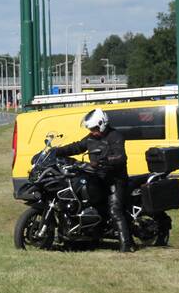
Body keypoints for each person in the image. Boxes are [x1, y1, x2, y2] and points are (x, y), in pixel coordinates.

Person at [54, 108, 135, 253]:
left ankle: (126, 245)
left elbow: (121, 157)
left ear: (102, 124)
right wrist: (57, 151)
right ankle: (87, 238)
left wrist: (105, 160)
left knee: (114, 209)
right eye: (91, 129)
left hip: (114, 179)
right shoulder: (91, 138)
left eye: (94, 128)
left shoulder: (115, 136)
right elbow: (77, 146)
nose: (93, 131)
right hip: (96, 177)